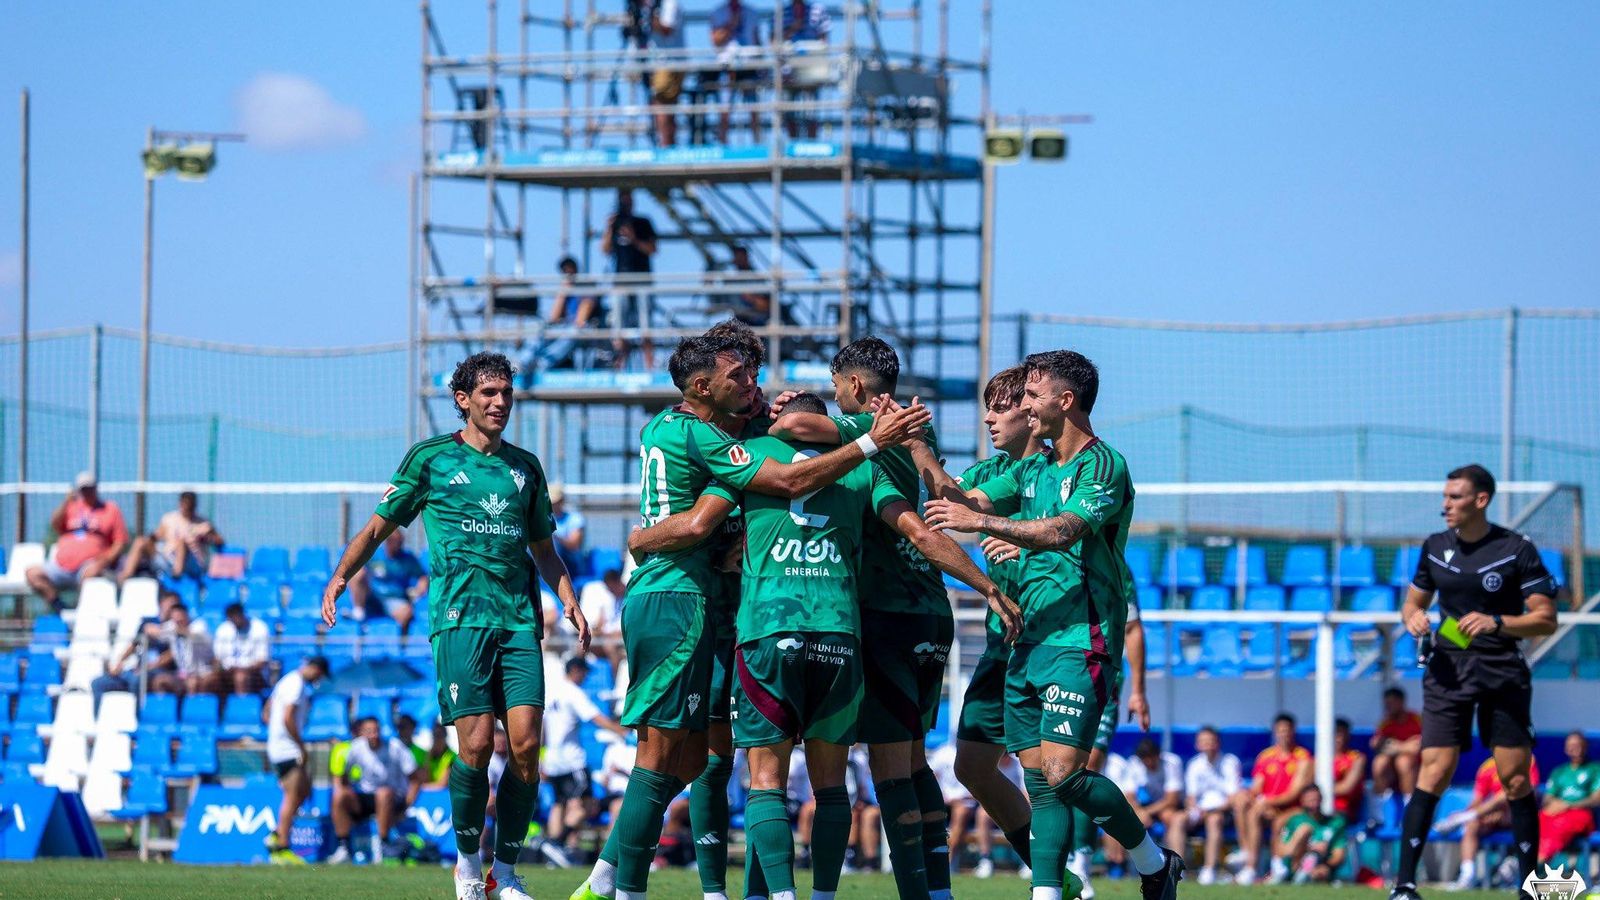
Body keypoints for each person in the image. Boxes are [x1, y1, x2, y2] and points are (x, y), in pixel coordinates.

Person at [568, 335, 931, 900]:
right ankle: (625, 886)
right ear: (702, 387)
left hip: (724, 606)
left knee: (701, 758)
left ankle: (662, 881)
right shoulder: (702, 436)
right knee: (669, 758)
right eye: (740, 376)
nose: (752, 385)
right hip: (678, 598)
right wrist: (641, 539)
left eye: (754, 375)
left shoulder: (715, 429)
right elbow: (724, 510)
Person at [634, 389, 1020, 900]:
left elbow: (705, 526)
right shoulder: (864, 471)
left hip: (769, 635)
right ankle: (823, 896)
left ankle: (777, 895)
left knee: (767, 782)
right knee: (831, 786)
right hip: (839, 639)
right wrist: (986, 585)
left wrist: (644, 539)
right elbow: (923, 535)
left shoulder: (754, 462)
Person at [321, 351, 592, 900]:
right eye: (488, 394)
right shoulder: (431, 460)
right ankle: (468, 865)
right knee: (472, 749)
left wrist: (567, 597)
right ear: (463, 400)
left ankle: (507, 872)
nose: (500, 403)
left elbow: (544, 548)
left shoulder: (526, 468)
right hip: (460, 621)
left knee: (524, 746)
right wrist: (340, 576)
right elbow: (377, 529)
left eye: (507, 394)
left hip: (519, 621)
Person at [920, 348, 1186, 900]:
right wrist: (910, 440)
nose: (1022, 406)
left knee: (1064, 773)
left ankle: (1154, 862)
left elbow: (1064, 530)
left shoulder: (1102, 463)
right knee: (1042, 782)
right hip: (1026, 642)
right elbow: (961, 498)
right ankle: (1052, 892)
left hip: (1079, 638)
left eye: (1031, 397)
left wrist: (986, 523)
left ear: (1065, 402)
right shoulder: (1030, 468)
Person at [1390, 465, 1559, 900]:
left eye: (1455, 497)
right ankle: (1405, 886)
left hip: (1501, 671)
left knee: (1515, 778)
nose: (1445, 504)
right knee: (1435, 771)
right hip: (1447, 670)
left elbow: (1546, 619)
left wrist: (1498, 622)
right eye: (1445, 496)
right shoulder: (1434, 547)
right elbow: (1412, 602)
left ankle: (1531, 888)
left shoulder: (1515, 549)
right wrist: (1414, 618)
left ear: (1480, 500)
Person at [543, 657, 628, 862]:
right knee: (587, 806)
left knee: (559, 804)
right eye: (585, 673)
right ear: (575, 670)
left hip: (553, 760)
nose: (586, 677)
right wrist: (620, 731)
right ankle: (556, 843)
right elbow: (594, 717)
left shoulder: (552, 690)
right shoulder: (573, 692)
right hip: (572, 760)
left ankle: (554, 852)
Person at [27, 471, 129, 612]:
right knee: (32, 573)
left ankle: (80, 612)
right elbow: (55, 523)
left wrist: (105, 560)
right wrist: (66, 502)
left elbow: (120, 542)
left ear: (95, 488)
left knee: (92, 574)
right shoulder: (70, 507)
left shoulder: (110, 509)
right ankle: (59, 607)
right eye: (83, 489)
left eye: (89, 488)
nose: (87, 492)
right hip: (61, 567)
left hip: (90, 566)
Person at [1231, 712, 1313, 884]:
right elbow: (1257, 787)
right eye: (1280, 730)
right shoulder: (1266, 756)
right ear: (1275, 732)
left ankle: (1254, 867)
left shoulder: (1302, 757)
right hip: (1269, 807)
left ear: (1293, 731)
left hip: (1293, 808)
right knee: (1241, 801)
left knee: (1260, 813)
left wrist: (1267, 801)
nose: (1284, 734)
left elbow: (1295, 793)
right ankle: (1246, 853)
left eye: (1287, 730)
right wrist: (1247, 795)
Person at [263, 656, 331, 864]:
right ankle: (281, 845)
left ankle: (277, 833)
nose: (318, 680)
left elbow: (266, 712)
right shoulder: (297, 684)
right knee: (293, 795)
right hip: (288, 749)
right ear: (315, 668)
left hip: (277, 746)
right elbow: (287, 717)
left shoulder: (285, 680)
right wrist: (300, 745)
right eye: (319, 675)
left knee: (302, 790)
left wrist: (274, 734)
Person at [328, 715, 418, 864]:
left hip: (393, 797)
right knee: (340, 796)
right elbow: (344, 776)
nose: (373, 735)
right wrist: (346, 790)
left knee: (383, 793)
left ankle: (383, 844)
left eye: (376, 730)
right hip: (366, 796)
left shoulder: (395, 747)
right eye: (369, 731)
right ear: (362, 733)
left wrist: (406, 807)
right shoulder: (356, 747)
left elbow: (415, 778)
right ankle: (343, 847)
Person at [1448, 756, 1543, 890]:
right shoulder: (1487, 766)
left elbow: (1530, 791)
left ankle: (1467, 817)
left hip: (1519, 812)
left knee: (1506, 794)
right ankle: (1467, 874)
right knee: (1472, 826)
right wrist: (1474, 811)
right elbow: (1478, 798)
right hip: (1494, 814)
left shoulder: (1525, 758)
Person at [602, 189, 658, 370]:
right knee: (619, 324)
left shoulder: (643, 222)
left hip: (642, 278)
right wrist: (610, 228)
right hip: (620, 280)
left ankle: (649, 364)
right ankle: (620, 364)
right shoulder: (615, 224)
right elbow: (605, 249)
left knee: (645, 323)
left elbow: (652, 249)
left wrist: (634, 239)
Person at [117, 490, 222, 584]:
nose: (187, 508)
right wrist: (149, 544)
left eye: (190, 505)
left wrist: (210, 535)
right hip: (167, 558)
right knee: (140, 542)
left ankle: (177, 577)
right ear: (180, 503)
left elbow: (220, 542)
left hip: (192, 563)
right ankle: (125, 577)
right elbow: (155, 536)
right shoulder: (169, 519)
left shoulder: (203, 524)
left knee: (181, 542)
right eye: (185, 504)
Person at [1183, 725, 1242, 885]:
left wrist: (1211, 810)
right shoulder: (1194, 764)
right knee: (1176, 820)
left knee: (1213, 820)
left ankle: (1209, 869)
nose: (1207, 744)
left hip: (1223, 812)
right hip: (1199, 811)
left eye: (1211, 741)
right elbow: (1191, 797)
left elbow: (1232, 798)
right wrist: (1195, 809)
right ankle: (1178, 869)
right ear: (1197, 744)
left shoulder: (1230, 762)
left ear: (1218, 743)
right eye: (1203, 741)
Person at [527, 256, 604, 372]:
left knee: (572, 332)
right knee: (540, 329)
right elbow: (554, 317)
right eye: (564, 270)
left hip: (584, 329)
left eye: (570, 269)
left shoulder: (587, 286)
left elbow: (581, 320)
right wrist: (563, 292)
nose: (568, 273)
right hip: (566, 327)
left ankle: (542, 364)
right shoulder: (566, 291)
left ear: (576, 269)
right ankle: (524, 361)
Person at [1537, 732, 1599, 864]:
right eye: (1571, 746)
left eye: (1578, 745)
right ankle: (1524, 864)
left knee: (1559, 826)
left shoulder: (1595, 769)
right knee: (1536, 822)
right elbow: (1548, 798)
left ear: (1585, 746)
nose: (1575, 749)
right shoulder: (1559, 772)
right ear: (1566, 748)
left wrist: (1568, 805)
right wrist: (1557, 804)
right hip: (1557, 812)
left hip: (1581, 815)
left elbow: (1596, 799)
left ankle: (1536, 865)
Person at [348, 527, 428, 630]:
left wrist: (418, 590)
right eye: (391, 540)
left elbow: (423, 577)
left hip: (394, 600)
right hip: (372, 598)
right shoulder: (375, 555)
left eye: (398, 542)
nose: (395, 544)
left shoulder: (408, 559)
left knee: (406, 613)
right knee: (357, 574)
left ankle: (400, 642)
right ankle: (359, 611)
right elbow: (357, 570)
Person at [709, 0, 765, 143]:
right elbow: (715, 40)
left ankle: (757, 143)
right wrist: (730, 24)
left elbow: (757, 40)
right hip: (726, 67)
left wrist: (761, 65)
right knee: (725, 109)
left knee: (754, 109)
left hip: (749, 66)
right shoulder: (717, 12)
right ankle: (723, 144)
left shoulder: (752, 12)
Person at [1118, 739, 1186, 856]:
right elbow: (1129, 796)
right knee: (1122, 818)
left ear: (1158, 755)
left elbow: (1171, 800)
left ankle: (1175, 863)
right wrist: (1139, 812)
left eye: (1152, 758)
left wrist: (1146, 812)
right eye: (1145, 759)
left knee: (1169, 817)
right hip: (1146, 805)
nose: (1149, 762)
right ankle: (1120, 865)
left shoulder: (1172, 763)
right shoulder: (1133, 763)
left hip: (1169, 807)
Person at [1276, 785, 1348, 884]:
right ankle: (1286, 873)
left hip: (1320, 864)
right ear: (1302, 801)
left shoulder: (1335, 823)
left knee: (1316, 860)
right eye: (1311, 801)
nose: (1314, 805)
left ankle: (1307, 873)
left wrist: (1326, 866)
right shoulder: (1295, 820)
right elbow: (1282, 851)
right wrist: (1309, 847)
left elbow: (1338, 855)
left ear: (1322, 799)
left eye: (1317, 800)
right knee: (1305, 830)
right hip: (1294, 863)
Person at [779, 0, 830, 138]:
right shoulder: (781, 13)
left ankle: (811, 146)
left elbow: (824, 41)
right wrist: (792, 29)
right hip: (788, 72)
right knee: (788, 112)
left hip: (811, 71)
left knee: (811, 112)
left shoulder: (819, 11)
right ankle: (793, 145)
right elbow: (774, 41)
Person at [151, 602, 219, 696]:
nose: (178, 620)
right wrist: (150, 628)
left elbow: (194, 635)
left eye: (180, 617)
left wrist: (174, 630)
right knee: (160, 681)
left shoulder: (198, 625)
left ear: (186, 615)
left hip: (202, 672)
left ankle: (192, 709)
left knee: (193, 684)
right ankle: (164, 709)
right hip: (182, 674)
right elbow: (154, 631)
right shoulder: (172, 627)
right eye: (175, 617)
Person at [1371, 686, 1423, 800]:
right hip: (1392, 770)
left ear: (1401, 702)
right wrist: (1405, 746)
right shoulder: (1386, 722)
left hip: (1416, 767)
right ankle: (1379, 804)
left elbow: (1418, 745)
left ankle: (1409, 803)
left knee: (1403, 761)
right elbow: (1375, 744)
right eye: (1386, 704)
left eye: (1391, 703)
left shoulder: (1416, 720)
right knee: (1379, 762)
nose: (1388, 707)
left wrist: (1397, 746)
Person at [647, 0, 686, 146]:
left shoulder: (669, 3)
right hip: (661, 63)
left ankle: (665, 144)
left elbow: (666, 28)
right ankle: (666, 143)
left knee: (662, 103)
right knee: (662, 104)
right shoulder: (657, 5)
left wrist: (649, 18)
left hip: (669, 63)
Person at [212, 601, 270, 695]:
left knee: (240, 677)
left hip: (254, 674)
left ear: (242, 615)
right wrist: (222, 668)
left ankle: (240, 708)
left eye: (236, 617)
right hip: (227, 671)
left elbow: (262, 661)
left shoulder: (259, 628)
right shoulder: (223, 629)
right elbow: (217, 658)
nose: (234, 621)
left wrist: (241, 669)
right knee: (209, 679)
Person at [579, 569, 627, 669]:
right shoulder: (605, 596)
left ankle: (615, 682)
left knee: (610, 648)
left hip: (618, 639)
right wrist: (597, 630)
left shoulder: (628, 598)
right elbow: (599, 626)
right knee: (580, 646)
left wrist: (609, 633)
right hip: (603, 637)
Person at [1331, 718, 1367, 821]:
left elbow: (1346, 787)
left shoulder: (1357, 758)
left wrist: (1321, 789)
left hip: (1344, 810)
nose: (1339, 739)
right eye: (1336, 734)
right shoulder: (1320, 759)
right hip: (1317, 808)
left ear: (1348, 736)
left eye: (1342, 734)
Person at [550, 484, 587, 581]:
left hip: (572, 566)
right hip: (550, 563)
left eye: (555, 502)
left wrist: (553, 537)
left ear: (561, 501)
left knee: (553, 545)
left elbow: (574, 545)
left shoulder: (575, 519)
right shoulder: (545, 520)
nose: (552, 505)